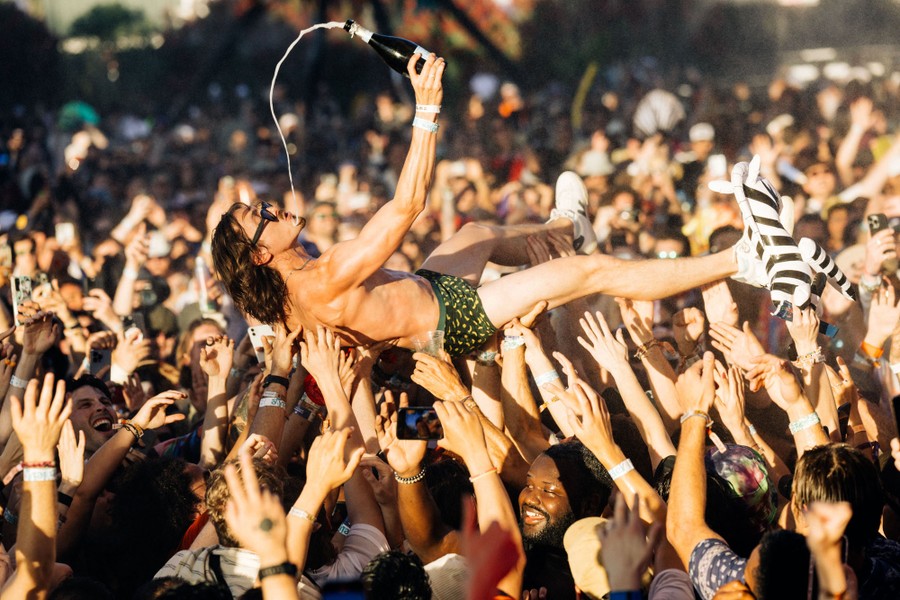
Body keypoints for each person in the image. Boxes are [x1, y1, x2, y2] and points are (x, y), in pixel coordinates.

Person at [212, 53, 744, 357]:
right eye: (257, 217)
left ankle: (564, 228)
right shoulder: (321, 278)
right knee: (592, 272)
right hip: (454, 319)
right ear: (260, 255)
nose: (268, 208)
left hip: (427, 290)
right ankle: (741, 261)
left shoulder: (286, 295)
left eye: (258, 204)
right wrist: (426, 110)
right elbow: (408, 204)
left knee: (478, 231)